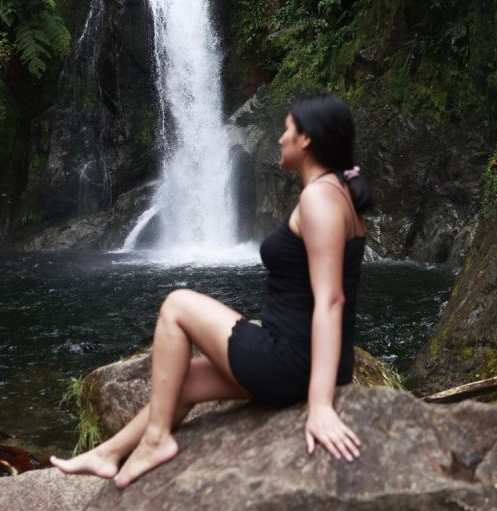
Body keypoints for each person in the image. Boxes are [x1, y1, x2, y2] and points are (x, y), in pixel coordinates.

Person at [52, 92, 370, 487]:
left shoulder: (319, 198)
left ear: (307, 139)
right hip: (300, 359)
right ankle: (109, 453)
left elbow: (331, 299)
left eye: (286, 129)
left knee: (177, 304)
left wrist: (320, 405)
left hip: (291, 362)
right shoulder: (338, 193)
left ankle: (156, 441)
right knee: (178, 383)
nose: (279, 138)